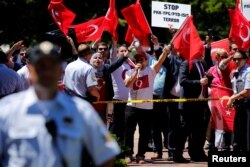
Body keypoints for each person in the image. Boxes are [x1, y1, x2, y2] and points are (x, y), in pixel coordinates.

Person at [0, 41, 120, 166]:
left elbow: (106, 154)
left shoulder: (80, 110)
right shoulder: (7, 110)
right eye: (41, 67)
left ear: (59, 71)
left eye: (51, 67)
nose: (46, 72)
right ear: (31, 71)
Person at [124, 45, 170, 164]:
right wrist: (135, 71)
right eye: (137, 60)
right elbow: (127, 84)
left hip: (146, 108)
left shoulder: (151, 70)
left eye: (141, 60)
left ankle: (140, 155)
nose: (139, 62)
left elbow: (160, 61)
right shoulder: (130, 71)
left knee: (144, 133)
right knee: (129, 132)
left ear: (145, 61)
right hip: (131, 107)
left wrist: (165, 52)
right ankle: (128, 154)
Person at [179, 55, 211, 162]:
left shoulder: (203, 63)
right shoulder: (187, 63)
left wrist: (209, 77)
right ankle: (177, 154)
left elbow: (206, 81)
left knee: (199, 130)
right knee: (185, 129)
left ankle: (197, 153)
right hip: (189, 103)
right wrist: (199, 82)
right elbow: (182, 81)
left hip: (201, 102)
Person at [89, 49, 130, 124]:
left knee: (104, 126)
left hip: (104, 105)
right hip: (91, 104)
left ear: (103, 60)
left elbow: (117, 63)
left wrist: (129, 50)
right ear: (91, 60)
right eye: (95, 57)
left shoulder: (106, 69)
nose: (98, 59)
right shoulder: (87, 70)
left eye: (100, 58)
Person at [227, 50, 250, 151]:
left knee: (247, 134)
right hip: (239, 106)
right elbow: (236, 91)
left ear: (245, 59)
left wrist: (232, 98)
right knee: (238, 134)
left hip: (248, 106)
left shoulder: (248, 72)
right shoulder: (236, 72)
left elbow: (248, 91)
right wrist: (233, 100)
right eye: (234, 59)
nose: (236, 61)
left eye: (239, 59)